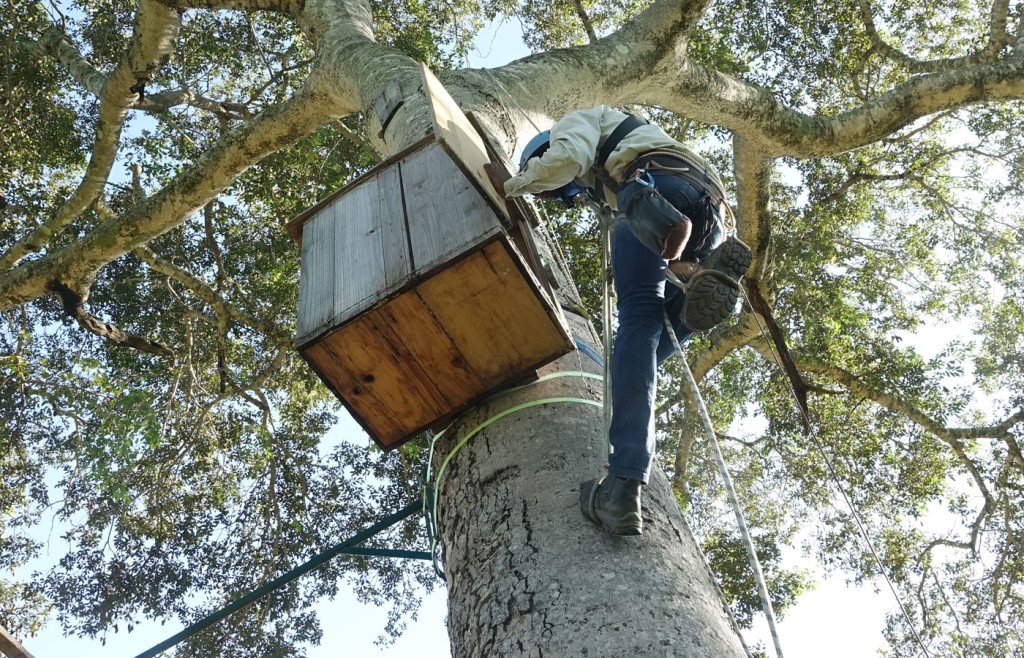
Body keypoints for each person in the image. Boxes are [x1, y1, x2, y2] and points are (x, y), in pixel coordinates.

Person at [484, 105, 751, 536]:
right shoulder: (641, 134)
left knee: (639, 319)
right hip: (713, 211)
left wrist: (515, 185)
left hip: (654, 188)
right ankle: (694, 276)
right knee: (646, 350)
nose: (567, 197)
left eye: (557, 193)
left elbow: (567, 158)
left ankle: (623, 485)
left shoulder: (573, 123)